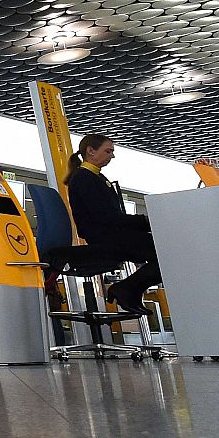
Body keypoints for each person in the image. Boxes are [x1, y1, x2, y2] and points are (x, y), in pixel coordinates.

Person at [65, 133, 162, 316]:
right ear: (91, 151)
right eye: (108, 151)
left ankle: (130, 290)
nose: (112, 156)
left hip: (111, 234)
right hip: (106, 237)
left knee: (162, 251)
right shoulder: (85, 178)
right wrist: (145, 222)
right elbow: (107, 217)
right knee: (166, 253)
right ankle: (126, 289)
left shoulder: (94, 177)